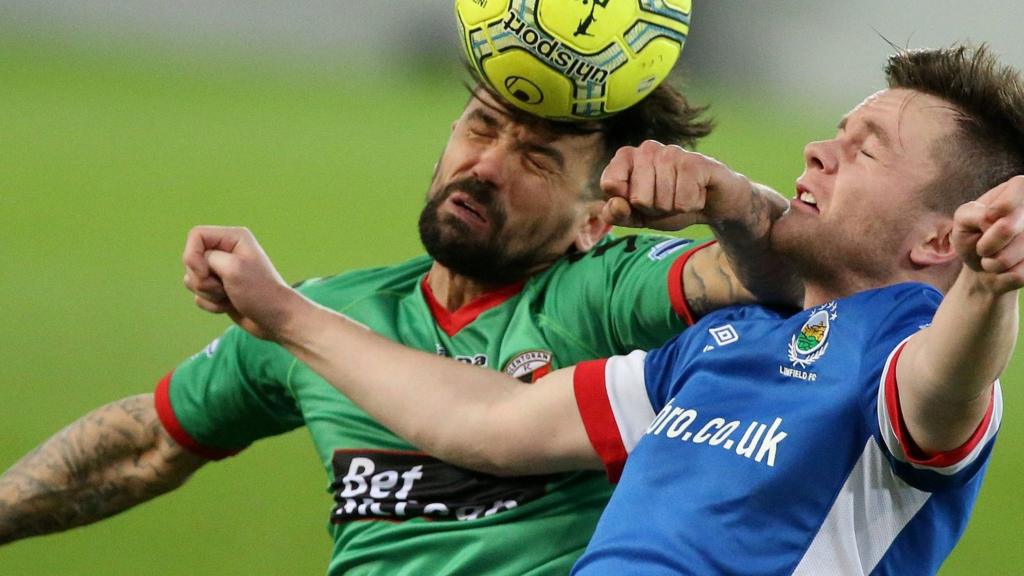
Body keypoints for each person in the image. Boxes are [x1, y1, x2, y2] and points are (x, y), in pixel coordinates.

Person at [187, 44, 1022, 574]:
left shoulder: (903, 366)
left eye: (864, 149)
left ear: (941, 240)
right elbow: (489, 425)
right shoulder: (730, 339)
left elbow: (957, 381)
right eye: (835, 130)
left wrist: (991, 280)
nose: (817, 149)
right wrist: (287, 314)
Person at [0, 80, 795, 573]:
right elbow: (148, 444)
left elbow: (780, 277)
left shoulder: (606, 295)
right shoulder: (323, 319)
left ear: (596, 222)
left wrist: (727, 202)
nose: (485, 165)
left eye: (538, 160)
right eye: (481, 127)